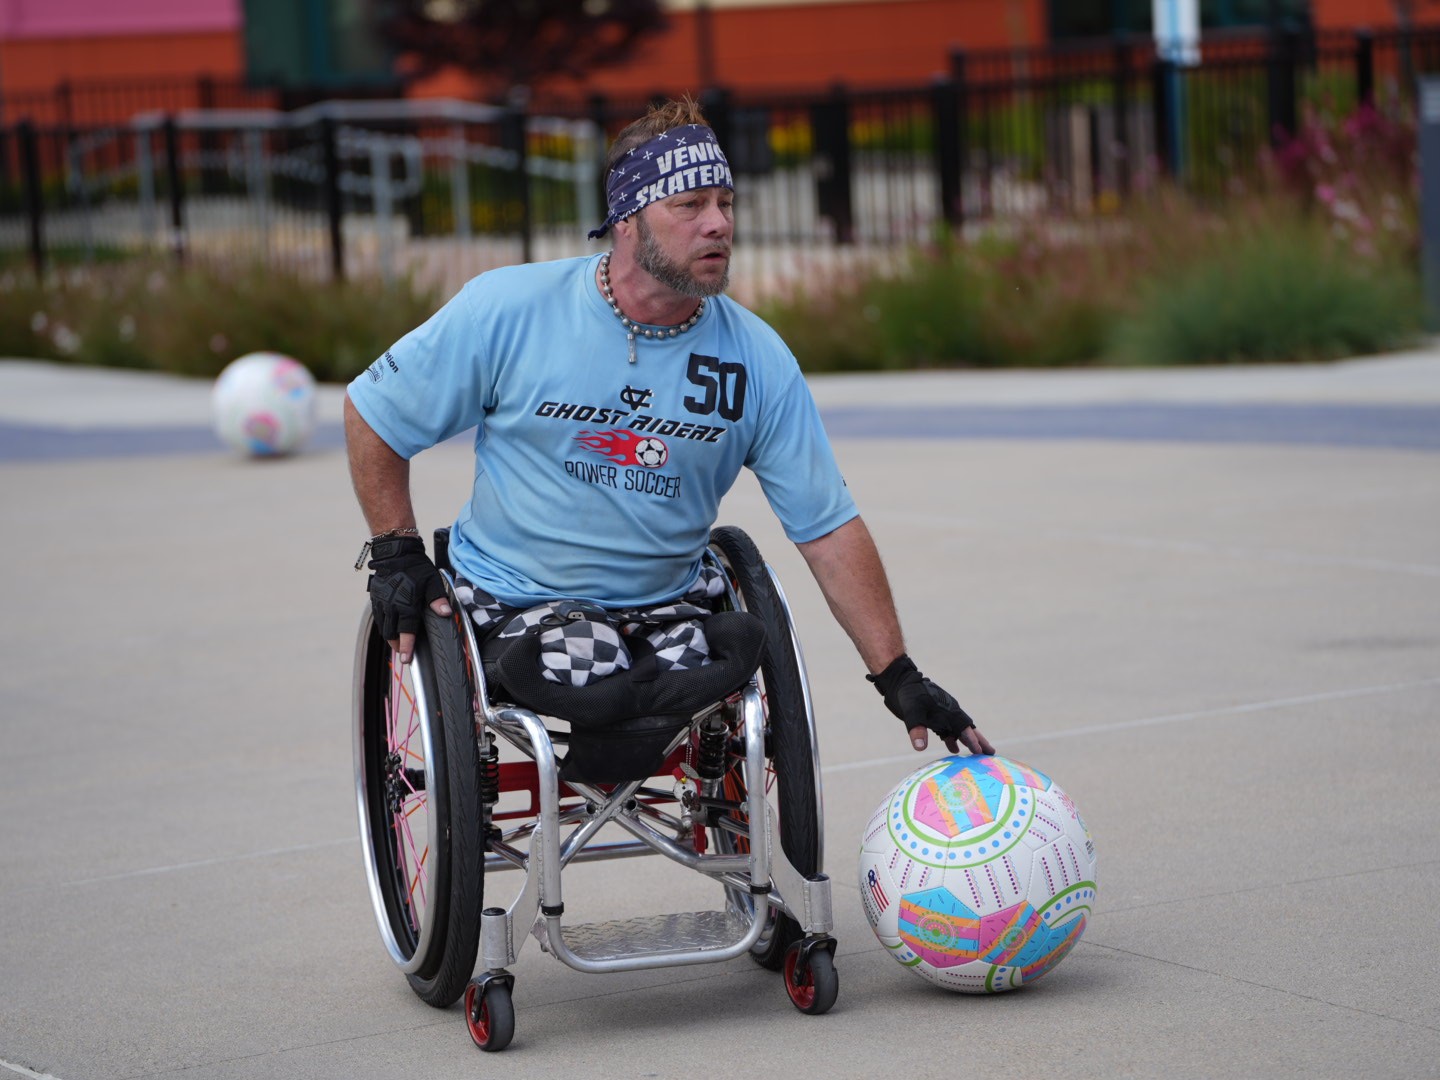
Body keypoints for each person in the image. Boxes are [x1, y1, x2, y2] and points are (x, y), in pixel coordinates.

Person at [345, 96, 993, 758]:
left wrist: (898, 674)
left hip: (666, 611)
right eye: (689, 206)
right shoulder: (508, 310)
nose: (718, 225)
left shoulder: (757, 358)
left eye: (726, 203)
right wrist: (396, 552)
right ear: (627, 220)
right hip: (515, 604)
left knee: (728, 650)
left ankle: (645, 720)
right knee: (588, 665)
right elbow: (375, 411)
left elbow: (826, 527)